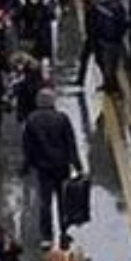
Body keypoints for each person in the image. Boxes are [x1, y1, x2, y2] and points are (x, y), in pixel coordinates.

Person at [21, 87, 82, 249]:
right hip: (61, 166)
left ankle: (46, 236)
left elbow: (28, 146)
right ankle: (64, 231)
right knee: (63, 200)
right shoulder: (62, 119)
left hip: (43, 167)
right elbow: (71, 143)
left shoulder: (32, 119)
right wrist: (77, 165)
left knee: (45, 202)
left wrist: (26, 166)